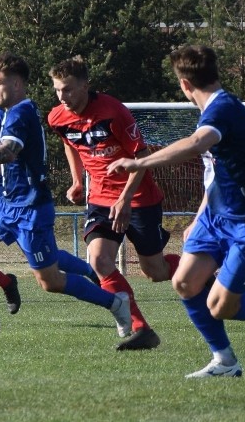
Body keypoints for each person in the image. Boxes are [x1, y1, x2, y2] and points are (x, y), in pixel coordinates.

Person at [107, 45, 245, 378]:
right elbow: (215, 171)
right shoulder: (216, 110)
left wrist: (140, 161)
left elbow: (196, 143)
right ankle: (225, 361)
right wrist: (200, 216)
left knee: (220, 305)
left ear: (185, 85)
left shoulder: (222, 110)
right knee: (185, 282)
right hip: (216, 216)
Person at [0, 53, 131, 345]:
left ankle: (115, 303)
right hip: (8, 204)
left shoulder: (20, 112)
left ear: (16, 85)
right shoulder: (9, 113)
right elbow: (1, 159)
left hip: (30, 208)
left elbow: (7, 152)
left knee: (50, 282)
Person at [47, 56, 180, 350]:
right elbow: (70, 143)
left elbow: (142, 157)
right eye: (57, 90)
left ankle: (200, 271)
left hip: (139, 198)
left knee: (155, 272)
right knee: (99, 260)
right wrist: (78, 181)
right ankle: (140, 328)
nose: (62, 97)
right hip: (100, 200)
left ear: (85, 85)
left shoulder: (113, 111)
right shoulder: (57, 117)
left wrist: (126, 198)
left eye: (68, 89)